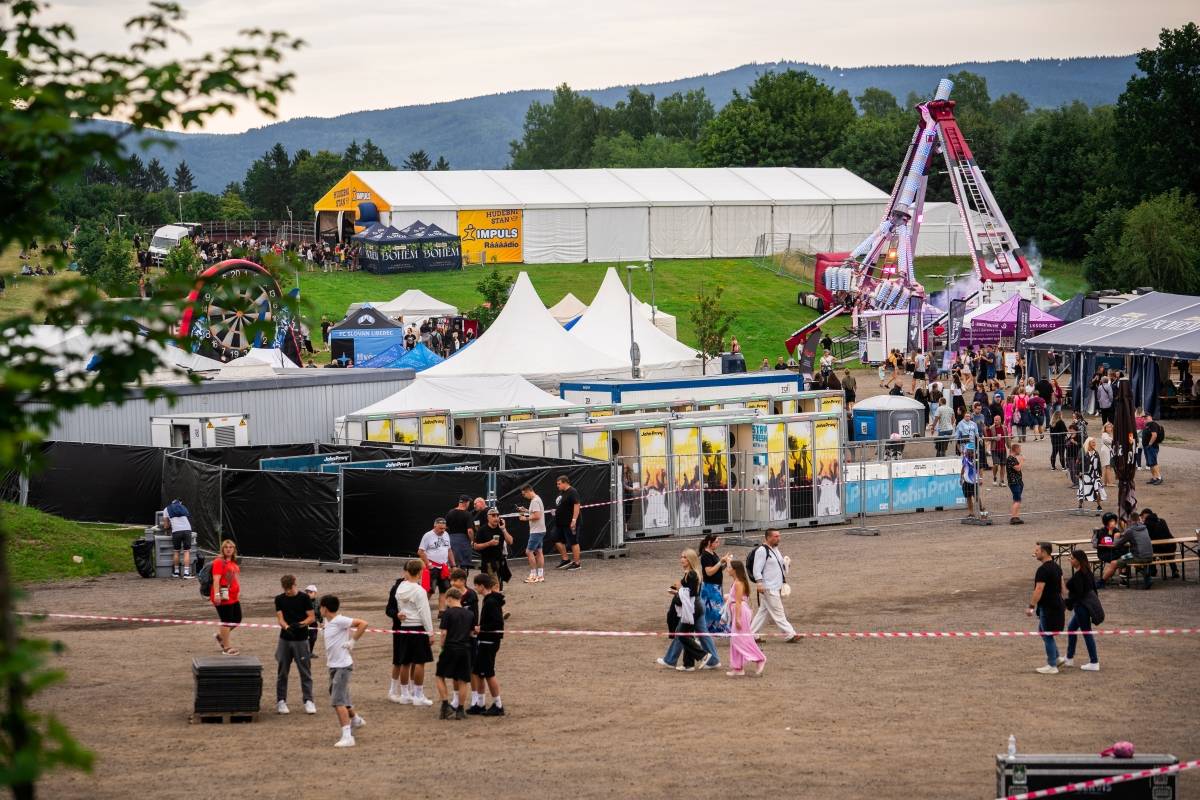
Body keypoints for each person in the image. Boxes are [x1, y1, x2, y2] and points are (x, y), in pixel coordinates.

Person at [319, 595, 367, 747]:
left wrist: (353, 641)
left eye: (320, 607)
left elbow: (363, 623)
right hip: (333, 666)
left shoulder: (340, 620)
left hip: (342, 666)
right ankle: (356, 720)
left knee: (338, 701)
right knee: (342, 698)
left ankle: (347, 737)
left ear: (325, 608)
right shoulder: (328, 622)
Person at [388, 559, 434, 706]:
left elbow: (399, 606)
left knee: (405, 662)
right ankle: (418, 696)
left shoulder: (400, 587)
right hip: (417, 627)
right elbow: (424, 613)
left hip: (404, 627)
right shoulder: (419, 591)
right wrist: (430, 632)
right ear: (420, 572)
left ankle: (405, 694)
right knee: (420, 662)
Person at [273, 575, 316, 716]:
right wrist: (286, 627)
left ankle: (308, 700)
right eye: (285, 589)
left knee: (305, 671)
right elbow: (280, 618)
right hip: (285, 639)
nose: (287, 592)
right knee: (282, 671)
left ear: (294, 585)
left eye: (289, 589)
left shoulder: (304, 598)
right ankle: (281, 701)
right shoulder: (279, 599)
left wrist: (300, 624)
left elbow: (311, 617)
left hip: (301, 640)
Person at [750, 529, 801, 643]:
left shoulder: (775, 549)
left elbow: (779, 565)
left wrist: (786, 563)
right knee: (779, 612)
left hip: (775, 586)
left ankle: (751, 635)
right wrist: (759, 583)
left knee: (763, 613)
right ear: (768, 537)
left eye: (779, 536)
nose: (778, 538)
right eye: (776, 536)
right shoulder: (762, 550)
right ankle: (790, 634)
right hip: (768, 587)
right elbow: (756, 569)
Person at [1026, 543, 1065, 674]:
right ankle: (1057, 658)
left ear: (1044, 552)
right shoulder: (1057, 567)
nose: (1035, 553)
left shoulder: (1042, 570)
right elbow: (1063, 588)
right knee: (1043, 631)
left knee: (1047, 634)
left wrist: (1031, 606)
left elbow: (1039, 589)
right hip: (1056, 605)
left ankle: (1052, 665)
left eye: (1037, 550)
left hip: (1048, 607)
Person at [470, 573, 506, 716]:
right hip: (484, 640)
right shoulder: (488, 600)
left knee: (488, 673)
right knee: (478, 672)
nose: (475, 588)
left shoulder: (491, 602)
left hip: (489, 641)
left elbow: (497, 623)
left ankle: (498, 705)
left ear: (482, 586)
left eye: (476, 585)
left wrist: (481, 628)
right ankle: (480, 704)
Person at [435, 588, 473, 720]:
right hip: (465, 649)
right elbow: (471, 633)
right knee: (463, 680)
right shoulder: (470, 614)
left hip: (450, 648)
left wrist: (441, 646)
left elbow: (443, 633)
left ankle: (445, 705)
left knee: (440, 676)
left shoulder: (448, 613)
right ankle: (460, 710)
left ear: (450, 598)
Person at [725, 560, 766, 677]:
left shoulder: (738, 583)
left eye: (729, 567)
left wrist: (737, 618)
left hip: (741, 612)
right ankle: (738, 668)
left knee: (740, 639)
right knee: (736, 639)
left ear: (735, 570)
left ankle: (759, 658)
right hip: (738, 611)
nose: (727, 569)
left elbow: (738, 602)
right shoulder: (737, 582)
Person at [1063, 550, 1101, 671]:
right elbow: (1094, 590)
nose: (1070, 560)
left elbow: (1078, 595)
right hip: (1084, 607)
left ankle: (1094, 661)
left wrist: (1066, 603)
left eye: (1072, 558)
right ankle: (1069, 657)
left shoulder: (1079, 576)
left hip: (1082, 608)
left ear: (1078, 560)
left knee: (1087, 633)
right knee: (1071, 629)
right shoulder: (1088, 572)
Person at [1098, 517, 1154, 589]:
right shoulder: (1144, 528)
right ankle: (1145, 576)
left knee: (1113, 563)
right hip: (1150, 556)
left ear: (1129, 522)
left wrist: (1116, 537)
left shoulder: (1130, 531)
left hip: (1138, 556)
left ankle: (1101, 582)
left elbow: (1117, 544)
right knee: (1123, 557)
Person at [418, 518, 455, 615]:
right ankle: (421, 610)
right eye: (440, 528)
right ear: (434, 526)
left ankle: (442, 612)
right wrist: (428, 564)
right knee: (429, 590)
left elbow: (449, 550)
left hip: (444, 567)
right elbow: (420, 551)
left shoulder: (446, 534)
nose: (443, 530)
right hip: (432, 566)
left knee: (445, 589)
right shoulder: (428, 535)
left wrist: (453, 565)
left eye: (444, 528)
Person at [211, 539, 241, 656]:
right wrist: (217, 594)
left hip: (233, 596)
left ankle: (221, 637)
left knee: (237, 619)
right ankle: (226, 648)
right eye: (226, 547)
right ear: (222, 549)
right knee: (226, 620)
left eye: (231, 547)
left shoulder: (232, 562)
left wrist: (238, 591)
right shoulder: (219, 562)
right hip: (223, 595)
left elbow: (234, 579)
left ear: (234, 549)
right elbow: (216, 579)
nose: (228, 549)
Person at [473, 507, 513, 590]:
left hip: (499, 560)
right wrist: (489, 543)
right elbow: (476, 546)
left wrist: (504, 529)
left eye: (497, 516)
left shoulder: (500, 528)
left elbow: (510, 542)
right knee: (495, 585)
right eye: (493, 516)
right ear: (488, 518)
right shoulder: (482, 530)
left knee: (497, 585)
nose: (496, 518)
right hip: (488, 562)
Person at [552, 474, 582, 571]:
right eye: (557, 484)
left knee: (573, 542)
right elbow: (561, 505)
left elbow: (577, 505)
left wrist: (574, 520)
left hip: (570, 522)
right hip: (560, 522)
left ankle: (577, 563)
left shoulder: (572, 492)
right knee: (555, 538)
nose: (557, 486)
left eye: (559, 484)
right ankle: (565, 559)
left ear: (565, 483)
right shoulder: (562, 492)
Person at [518, 484, 546, 583]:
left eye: (524, 494)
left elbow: (537, 516)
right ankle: (540, 575)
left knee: (529, 552)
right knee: (539, 552)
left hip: (536, 531)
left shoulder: (534, 501)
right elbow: (535, 513)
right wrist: (526, 510)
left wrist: (525, 518)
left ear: (528, 491)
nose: (524, 496)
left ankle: (533, 575)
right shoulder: (537, 499)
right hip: (540, 530)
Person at [1141, 508, 1180, 580]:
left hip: (1160, 548)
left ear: (1146, 515)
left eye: (1142, 517)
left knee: (1149, 549)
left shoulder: (1147, 524)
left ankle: (1153, 571)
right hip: (1171, 546)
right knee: (1167, 550)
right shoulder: (1162, 520)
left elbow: (1146, 537)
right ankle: (1175, 570)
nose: (1142, 519)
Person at [161, 499, 194, 579]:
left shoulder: (166, 509)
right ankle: (186, 573)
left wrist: (169, 526)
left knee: (176, 551)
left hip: (176, 531)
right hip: (187, 530)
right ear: (179, 503)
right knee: (186, 551)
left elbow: (166, 526)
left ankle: (176, 572)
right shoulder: (183, 507)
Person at [445, 495, 475, 573]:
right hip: (463, 542)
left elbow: (445, 527)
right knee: (463, 566)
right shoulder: (468, 514)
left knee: (453, 564)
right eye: (469, 502)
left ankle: (452, 579)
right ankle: (462, 580)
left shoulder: (450, 512)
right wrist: (472, 540)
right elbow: (470, 531)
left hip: (451, 540)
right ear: (466, 503)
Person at [1077, 437, 1105, 511]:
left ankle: (1099, 506)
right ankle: (1080, 505)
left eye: (1094, 442)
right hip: (1085, 475)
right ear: (1088, 443)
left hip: (1095, 474)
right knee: (1083, 489)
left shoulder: (1096, 453)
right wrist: (1078, 473)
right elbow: (1078, 462)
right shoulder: (1083, 451)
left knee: (1097, 489)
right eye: (1093, 442)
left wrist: (1100, 474)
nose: (1094, 444)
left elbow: (1099, 464)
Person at [1142, 411, 1164, 485]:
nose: (1145, 418)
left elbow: (1154, 435)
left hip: (1152, 447)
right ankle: (1154, 478)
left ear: (1150, 417)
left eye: (1146, 417)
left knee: (1154, 462)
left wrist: (1150, 444)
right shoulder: (1147, 425)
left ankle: (1159, 478)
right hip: (1147, 447)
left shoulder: (1153, 424)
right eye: (1144, 417)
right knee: (1150, 463)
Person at [1006, 443, 1024, 524]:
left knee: (1017, 500)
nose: (1020, 451)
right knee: (1017, 500)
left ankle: (1016, 516)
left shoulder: (1013, 458)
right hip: (1014, 482)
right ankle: (1013, 517)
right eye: (1019, 449)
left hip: (1018, 481)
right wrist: (1022, 461)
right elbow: (1018, 468)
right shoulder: (1010, 459)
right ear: (1015, 449)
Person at [960, 441, 979, 518]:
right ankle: (971, 513)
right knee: (968, 497)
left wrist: (980, 478)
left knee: (976, 497)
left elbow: (980, 469)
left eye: (971, 451)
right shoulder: (965, 458)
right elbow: (963, 468)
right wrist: (961, 477)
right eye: (968, 451)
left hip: (974, 481)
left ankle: (981, 510)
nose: (969, 453)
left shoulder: (977, 459)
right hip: (966, 480)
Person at [305, 584, 321, 656]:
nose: (308, 594)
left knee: (313, 638)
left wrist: (321, 622)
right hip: (304, 623)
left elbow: (320, 613)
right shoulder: (303, 601)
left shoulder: (318, 602)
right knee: (303, 638)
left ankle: (310, 652)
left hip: (313, 623)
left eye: (310, 592)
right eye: (307, 592)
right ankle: (304, 653)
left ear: (315, 593)